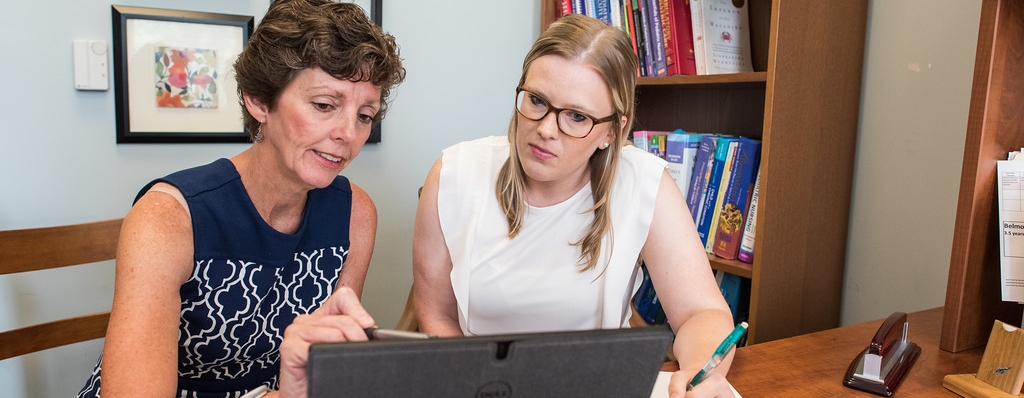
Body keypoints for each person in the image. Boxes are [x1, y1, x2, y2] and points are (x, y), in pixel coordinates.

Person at [77, 0, 405, 397]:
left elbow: (325, 367)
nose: (348, 133)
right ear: (259, 101)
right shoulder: (169, 217)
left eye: (365, 115)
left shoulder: (355, 214)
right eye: (324, 105)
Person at [412, 14, 736, 398]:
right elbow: (437, 317)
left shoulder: (643, 183)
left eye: (577, 116)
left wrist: (700, 371)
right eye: (536, 101)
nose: (546, 129)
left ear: (612, 131)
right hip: (482, 385)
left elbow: (702, 313)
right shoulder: (454, 174)